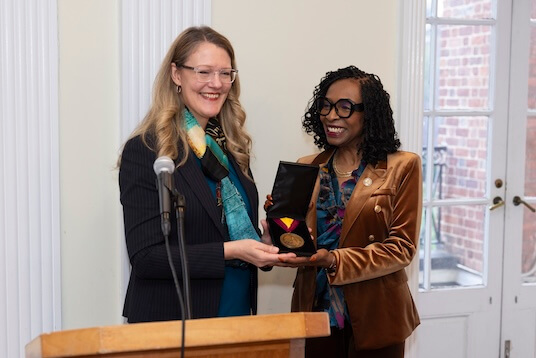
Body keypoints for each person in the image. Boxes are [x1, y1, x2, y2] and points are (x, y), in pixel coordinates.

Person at [119, 26, 295, 323]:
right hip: (175, 321)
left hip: (237, 313)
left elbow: (233, 233)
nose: (216, 83)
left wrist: (263, 244)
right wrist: (232, 250)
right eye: (204, 72)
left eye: (225, 73)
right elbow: (146, 258)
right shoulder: (149, 150)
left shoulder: (231, 148)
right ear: (176, 74)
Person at [268, 66, 422, 357]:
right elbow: (293, 238)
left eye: (345, 107)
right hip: (315, 312)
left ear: (369, 115)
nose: (331, 115)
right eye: (325, 106)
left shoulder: (402, 166)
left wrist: (334, 260)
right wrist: (279, 230)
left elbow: (402, 248)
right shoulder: (306, 166)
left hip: (378, 317)